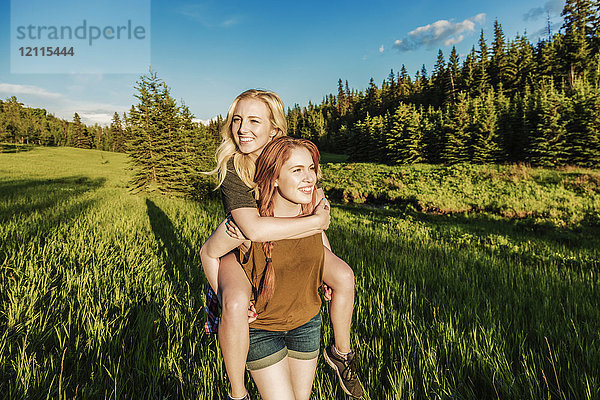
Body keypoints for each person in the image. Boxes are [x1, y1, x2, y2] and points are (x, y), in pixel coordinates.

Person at [200, 89, 363, 399]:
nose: (242, 129)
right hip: (242, 247)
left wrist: (321, 263)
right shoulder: (237, 166)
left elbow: (311, 215)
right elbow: (253, 229)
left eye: (253, 121)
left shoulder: (292, 158)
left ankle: (342, 354)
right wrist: (317, 221)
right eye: (237, 120)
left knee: (342, 276)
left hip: (289, 248)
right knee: (235, 302)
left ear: (274, 129)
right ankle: (238, 392)